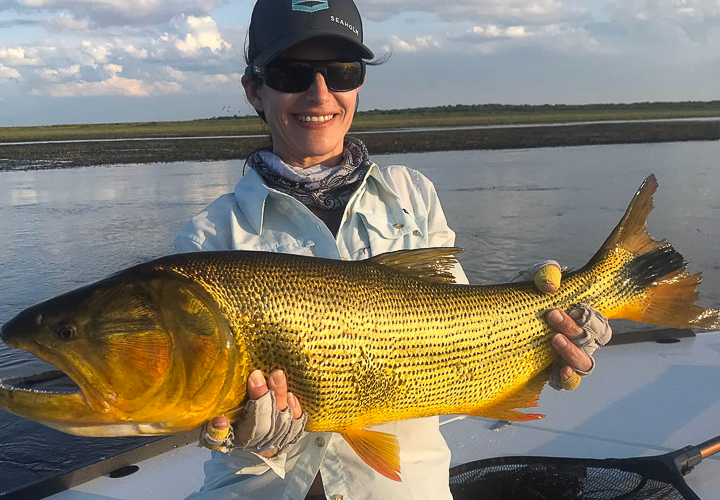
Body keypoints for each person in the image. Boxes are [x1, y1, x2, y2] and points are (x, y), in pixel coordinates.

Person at [175, 0, 611, 498]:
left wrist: (544, 339)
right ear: (254, 89)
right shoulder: (208, 237)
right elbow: (200, 408)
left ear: (358, 83)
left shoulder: (414, 195)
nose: (320, 93)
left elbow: (457, 347)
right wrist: (242, 437)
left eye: (341, 71)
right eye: (291, 72)